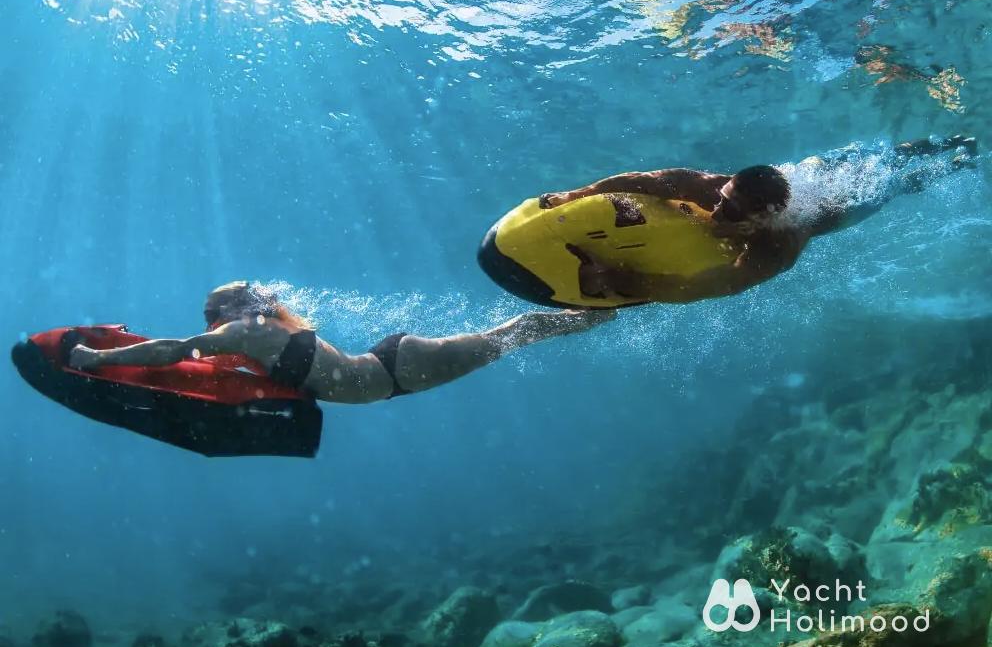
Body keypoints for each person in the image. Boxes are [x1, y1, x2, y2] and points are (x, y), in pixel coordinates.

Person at [537, 135, 977, 304]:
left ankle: (944, 157)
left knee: (889, 184)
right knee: (845, 158)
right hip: (805, 174)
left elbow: (716, 285)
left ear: (763, 218)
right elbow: (642, 180)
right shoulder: (712, 186)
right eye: (725, 198)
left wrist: (623, 279)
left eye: (731, 211)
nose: (717, 210)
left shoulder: (780, 243)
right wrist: (577, 195)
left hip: (845, 206)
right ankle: (916, 147)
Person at [68, 282, 615, 403]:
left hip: (399, 370)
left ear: (232, 312)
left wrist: (100, 357)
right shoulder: (256, 337)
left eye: (211, 310)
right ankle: (586, 312)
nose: (207, 317)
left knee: (510, 337)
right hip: (392, 367)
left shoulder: (245, 332)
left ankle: (591, 311)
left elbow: (170, 351)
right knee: (508, 339)